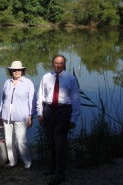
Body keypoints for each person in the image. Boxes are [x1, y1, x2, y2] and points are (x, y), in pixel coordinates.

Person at [37, 54, 80, 185]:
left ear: (64, 64)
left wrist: (73, 118)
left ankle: (60, 174)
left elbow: (76, 99)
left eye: (61, 63)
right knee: (51, 140)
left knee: (60, 141)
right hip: (49, 110)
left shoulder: (71, 79)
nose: (58, 65)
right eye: (56, 63)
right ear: (52, 63)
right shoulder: (46, 77)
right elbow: (40, 95)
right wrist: (40, 112)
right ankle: (52, 168)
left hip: (63, 111)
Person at [0, 61, 35, 169]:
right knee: (9, 140)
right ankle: (12, 162)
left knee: (21, 141)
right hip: (6, 116)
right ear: (11, 71)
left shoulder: (28, 83)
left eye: (18, 70)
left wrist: (30, 116)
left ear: (22, 71)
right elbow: (3, 99)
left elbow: (32, 101)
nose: (16, 72)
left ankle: (27, 162)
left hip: (21, 116)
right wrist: (1, 113)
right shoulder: (7, 82)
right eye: (14, 70)